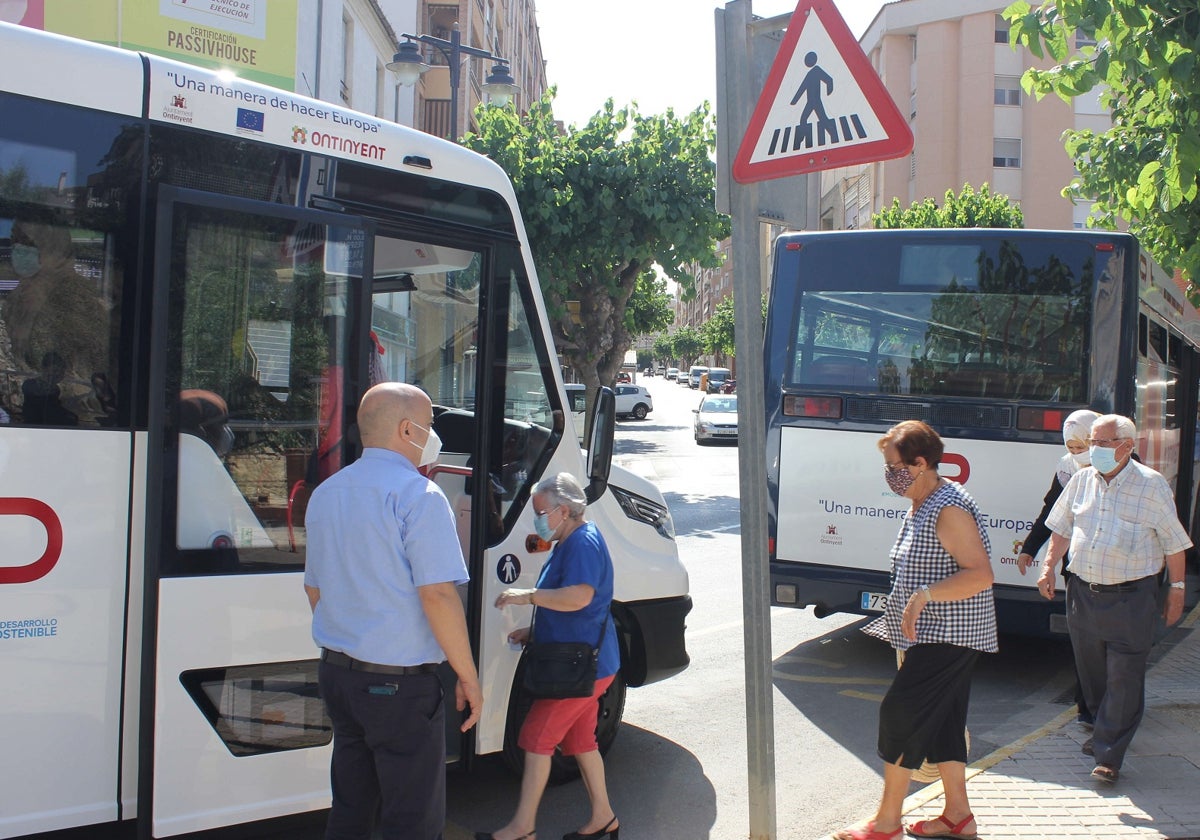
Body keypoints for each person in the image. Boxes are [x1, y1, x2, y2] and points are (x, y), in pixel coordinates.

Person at [303, 382, 483, 840]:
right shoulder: (419, 496)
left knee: (351, 808)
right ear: (408, 429)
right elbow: (438, 596)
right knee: (412, 819)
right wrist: (468, 676)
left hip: (338, 676)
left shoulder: (327, 493)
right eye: (429, 425)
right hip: (398, 688)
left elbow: (315, 589)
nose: (432, 435)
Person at [835, 420, 996, 840]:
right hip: (934, 634)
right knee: (944, 721)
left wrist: (924, 595)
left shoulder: (949, 508)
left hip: (950, 633)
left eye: (894, 465)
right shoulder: (923, 501)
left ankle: (886, 822)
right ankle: (958, 818)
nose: (889, 473)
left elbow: (980, 574)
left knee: (900, 714)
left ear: (920, 463)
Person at [1039, 413, 1190, 784]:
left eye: (1103, 443)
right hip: (1083, 594)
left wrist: (1177, 590)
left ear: (1127, 446)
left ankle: (1109, 754)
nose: (1095, 450)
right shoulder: (1080, 481)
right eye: (1092, 442)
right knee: (1093, 677)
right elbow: (1061, 528)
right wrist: (1047, 567)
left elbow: (1175, 545)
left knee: (1124, 676)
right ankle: (1105, 729)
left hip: (1131, 598)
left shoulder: (1151, 486)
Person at [479, 473, 621, 840]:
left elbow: (579, 598)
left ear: (564, 510)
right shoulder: (570, 540)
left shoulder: (582, 543)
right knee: (580, 742)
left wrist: (528, 596)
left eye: (542, 511)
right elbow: (571, 605)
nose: (537, 519)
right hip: (587, 663)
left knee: (537, 736)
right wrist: (534, 631)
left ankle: (523, 828)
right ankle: (604, 818)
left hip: (583, 666)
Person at [1016, 408, 1099, 726]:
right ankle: (1088, 709)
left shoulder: (1125, 470)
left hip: (1118, 574)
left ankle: (1109, 709)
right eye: (1071, 448)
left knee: (1108, 645)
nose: (1077, 454)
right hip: (1077, 567)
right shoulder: (1067, 469)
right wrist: (1030, 550)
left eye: (1082, 447)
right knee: (1084, 641)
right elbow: (1053, 513)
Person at [21, 350, 78, 425]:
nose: (57, 374)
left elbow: (55, 408)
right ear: (44, 369)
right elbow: (45, 408)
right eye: (54, 370)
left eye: (61, 372)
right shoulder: (30, 385)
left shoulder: (55, 389)